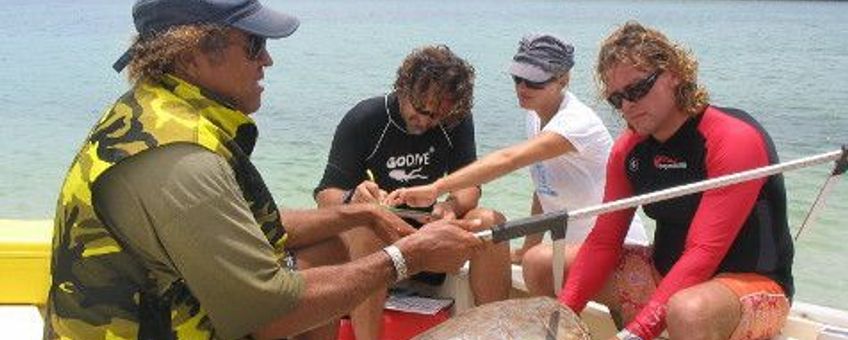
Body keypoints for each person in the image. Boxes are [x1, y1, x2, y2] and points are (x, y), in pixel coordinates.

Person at [45, 1, 483, 339]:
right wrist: (408, 257)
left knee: (330, 244)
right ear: (194, 52)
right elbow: (270, 313)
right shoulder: (182, 159)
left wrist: (359, 214)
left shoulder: (154, 115)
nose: (266, 60)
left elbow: (243, 226)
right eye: (255, 44)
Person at [558, 21, 794, 340]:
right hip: (666, 274)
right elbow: (604, 241)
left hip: (751, 286)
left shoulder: (731, 139)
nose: (628, 106)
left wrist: (636, 333)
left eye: (638, 89)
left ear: (674, 74)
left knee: (686, 310)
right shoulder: (629, 149)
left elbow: (702, 252)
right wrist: (559, 318)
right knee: (546, 263)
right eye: (617, 99)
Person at [385, 34, 648, 296]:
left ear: (563, 80)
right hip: (571, 250)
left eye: (534, 81)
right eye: (518, 78)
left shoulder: (576, 123)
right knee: (533, 262)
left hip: (617, 248)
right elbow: (543, 189)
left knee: (538, 267)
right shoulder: (536, 116)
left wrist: (437, 187)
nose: (522, 88)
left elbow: (508, 160)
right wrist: (525, 249)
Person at [314, 45, 510, 340]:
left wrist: (450, 208)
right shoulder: (365, 118)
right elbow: (325, 196)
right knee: (368, 227)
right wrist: (353, 198)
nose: (427, 121)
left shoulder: (454, 119)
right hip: (377, 244)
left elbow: (470, 185)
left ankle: (498, 333)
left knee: (491, 221)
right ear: (402, 88)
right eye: (421, 111)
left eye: (437, 117)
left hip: (428, 239)